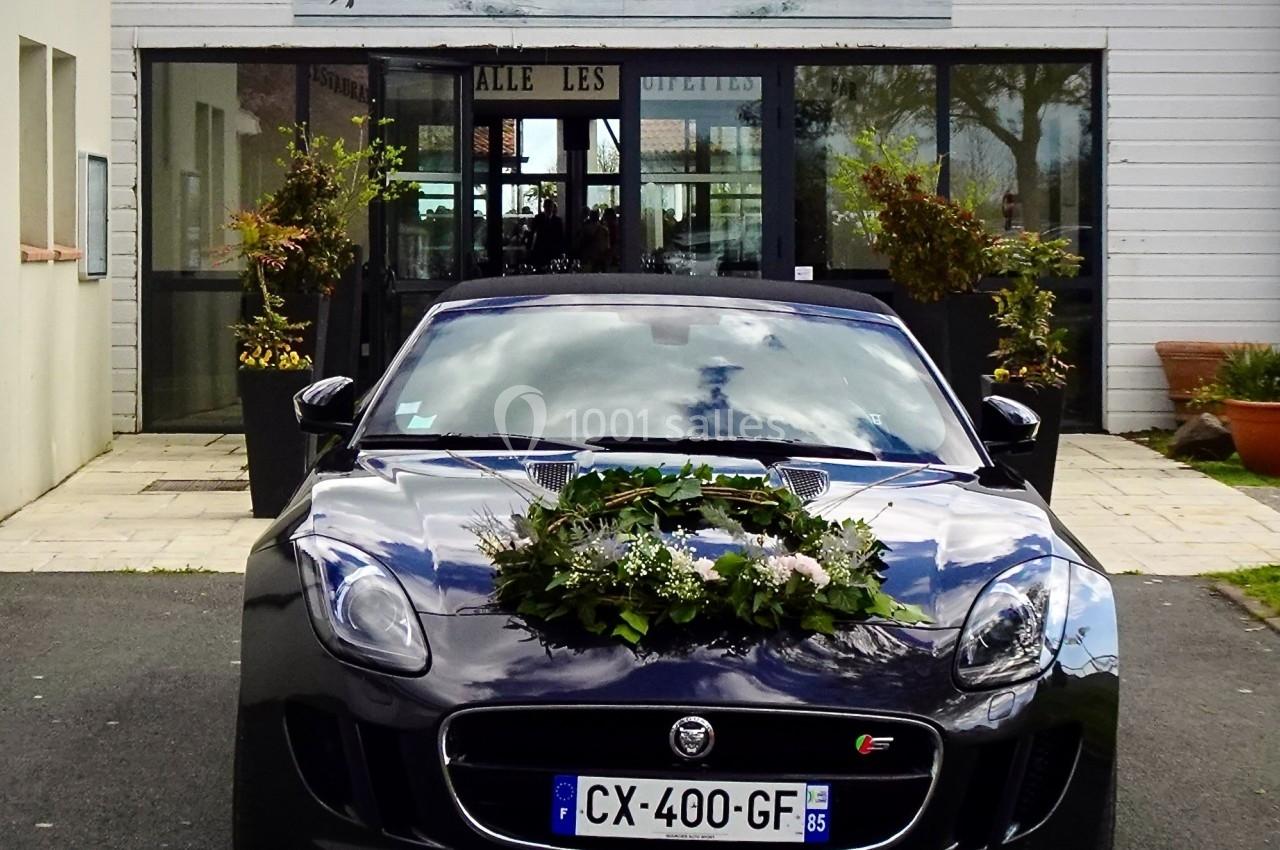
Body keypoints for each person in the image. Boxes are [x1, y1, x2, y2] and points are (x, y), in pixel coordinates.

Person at [529, 199, 565, 270]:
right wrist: (530, 248)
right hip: (540, 248)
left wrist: (561, 250)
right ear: (544, 207)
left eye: (550, 206)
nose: (548, 209)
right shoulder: (538, 218)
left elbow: (560, 237)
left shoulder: (557, 221)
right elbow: (532, 233)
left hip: (553, 249)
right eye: (547, 206)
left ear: (553, 208)